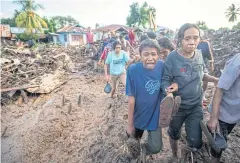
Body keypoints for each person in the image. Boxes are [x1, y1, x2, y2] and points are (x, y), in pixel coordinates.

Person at [161, 23, 219, 162]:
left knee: (196, 142)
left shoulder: (199, 54)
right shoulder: (172, 58)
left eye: (195, 38)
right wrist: (169, 92)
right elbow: (165, 80)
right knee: (174, 134)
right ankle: (174, 155)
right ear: (180, 39)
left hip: (195, 106)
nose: (192, 42)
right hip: (177, 107)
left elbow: (202, 75)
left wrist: (215, 79)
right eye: (187, 38)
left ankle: (186, 151)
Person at [126, 39, 164, 161]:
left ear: (158, 55)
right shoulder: (133, 70)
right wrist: (130, 124)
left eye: (153, 54)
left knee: (156, 147)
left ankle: (142, 151)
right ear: (140, 55)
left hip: (155, 114)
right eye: (146, 54)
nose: (150, 58)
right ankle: (134, 155)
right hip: (139, 114)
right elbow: (131, 99)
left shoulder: (162, 66)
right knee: (133, 142)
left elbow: (169, 81)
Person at [207, 53, 240, 163]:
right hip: (224, 112)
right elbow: (220, 88)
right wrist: (214, 117)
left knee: (224, 134)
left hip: (236, 112)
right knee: (218, 145)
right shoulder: (237, 62)